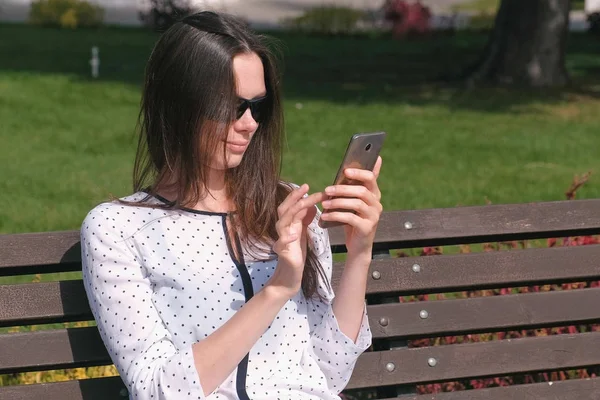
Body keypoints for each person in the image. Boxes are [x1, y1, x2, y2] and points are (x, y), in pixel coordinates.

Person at [80, 10, 383, 400]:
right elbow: (158, 391)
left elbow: (330, 372)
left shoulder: (286, 209)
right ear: (179, 104)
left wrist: (360, 253)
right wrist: (276, 290)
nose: (249, 123)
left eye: (258, 106)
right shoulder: (118, 229)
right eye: (231, 106)